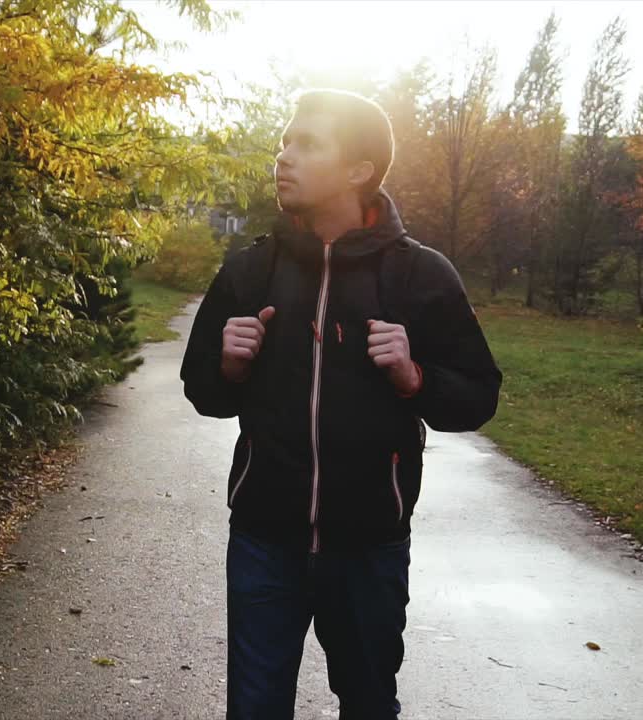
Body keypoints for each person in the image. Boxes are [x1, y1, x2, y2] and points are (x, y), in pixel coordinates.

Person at [179, 89, 502, 720]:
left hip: (370, 542)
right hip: (264, 535)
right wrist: (228, 366)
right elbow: (204, 393)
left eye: (306, 144)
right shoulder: (250, 271)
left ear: (359, 170)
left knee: (369, 703)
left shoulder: (421, 276)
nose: (284, 156)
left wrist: (415, 378)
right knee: (254, 708)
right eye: (284, 142)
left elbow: (477, 397)